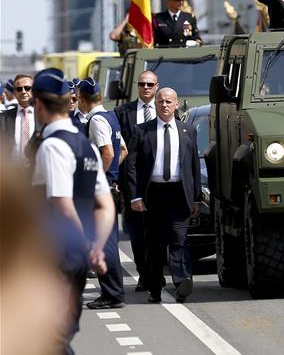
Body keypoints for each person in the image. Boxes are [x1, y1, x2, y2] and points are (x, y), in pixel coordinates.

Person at [25, 68, 116, 355]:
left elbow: (61, 205)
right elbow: (105, 204)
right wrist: (96, 246)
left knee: (52, 342)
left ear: (41, 106)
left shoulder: (52, 147)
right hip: (75, 257)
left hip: (58, 257)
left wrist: (83, 246)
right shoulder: (84, 144)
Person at [126, 88, 202, 304]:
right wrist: (135, 196)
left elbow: (194, 166)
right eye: (160, 102)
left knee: (178, 240)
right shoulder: (142, 131)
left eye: (169, 101)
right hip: (153, 195)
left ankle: (181, 282)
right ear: (156, 105)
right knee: (154, 244)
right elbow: (131, 167)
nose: (164, 105)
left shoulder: (187, 130)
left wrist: (196, 198)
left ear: (177, 104)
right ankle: (155, 287)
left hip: (179, 193)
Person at [75, 78, 128, 310]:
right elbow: (122, 151)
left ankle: (113, 294)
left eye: (78, 99)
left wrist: (98, 178)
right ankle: (113, 292)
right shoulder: (110, 117)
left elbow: (107, 153)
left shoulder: (96, 120)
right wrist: (113, 174)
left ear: (85, 100)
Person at [114, 70, 158, 291]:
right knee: (137, 233)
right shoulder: (123, 112)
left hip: (160, 181)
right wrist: (116, 179)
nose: (146, 87)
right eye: (142, 84)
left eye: (150, 84)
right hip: (132, 182)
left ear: (156, 86)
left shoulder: (165, 110)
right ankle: (144, 274)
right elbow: (117, 148)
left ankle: (156, 274)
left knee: (157, 231)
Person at [0, 74, 35, 161]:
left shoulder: (43, 116)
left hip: (36, 170)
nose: (23, 91)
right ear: (14, 93)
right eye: (19, 89)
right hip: (13, 171)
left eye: (27, 88)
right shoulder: (4, 118)